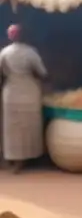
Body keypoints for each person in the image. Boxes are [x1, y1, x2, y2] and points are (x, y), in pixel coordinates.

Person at [0, 24, 47, 173]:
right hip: (29, 92)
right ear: (23, 35)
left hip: (10, 93)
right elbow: (42, 72)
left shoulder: (4, 53)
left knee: (11, 128)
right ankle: (29, 158)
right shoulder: (31, 52)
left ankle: (12, 158)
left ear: (10, 36)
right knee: (29, 126)